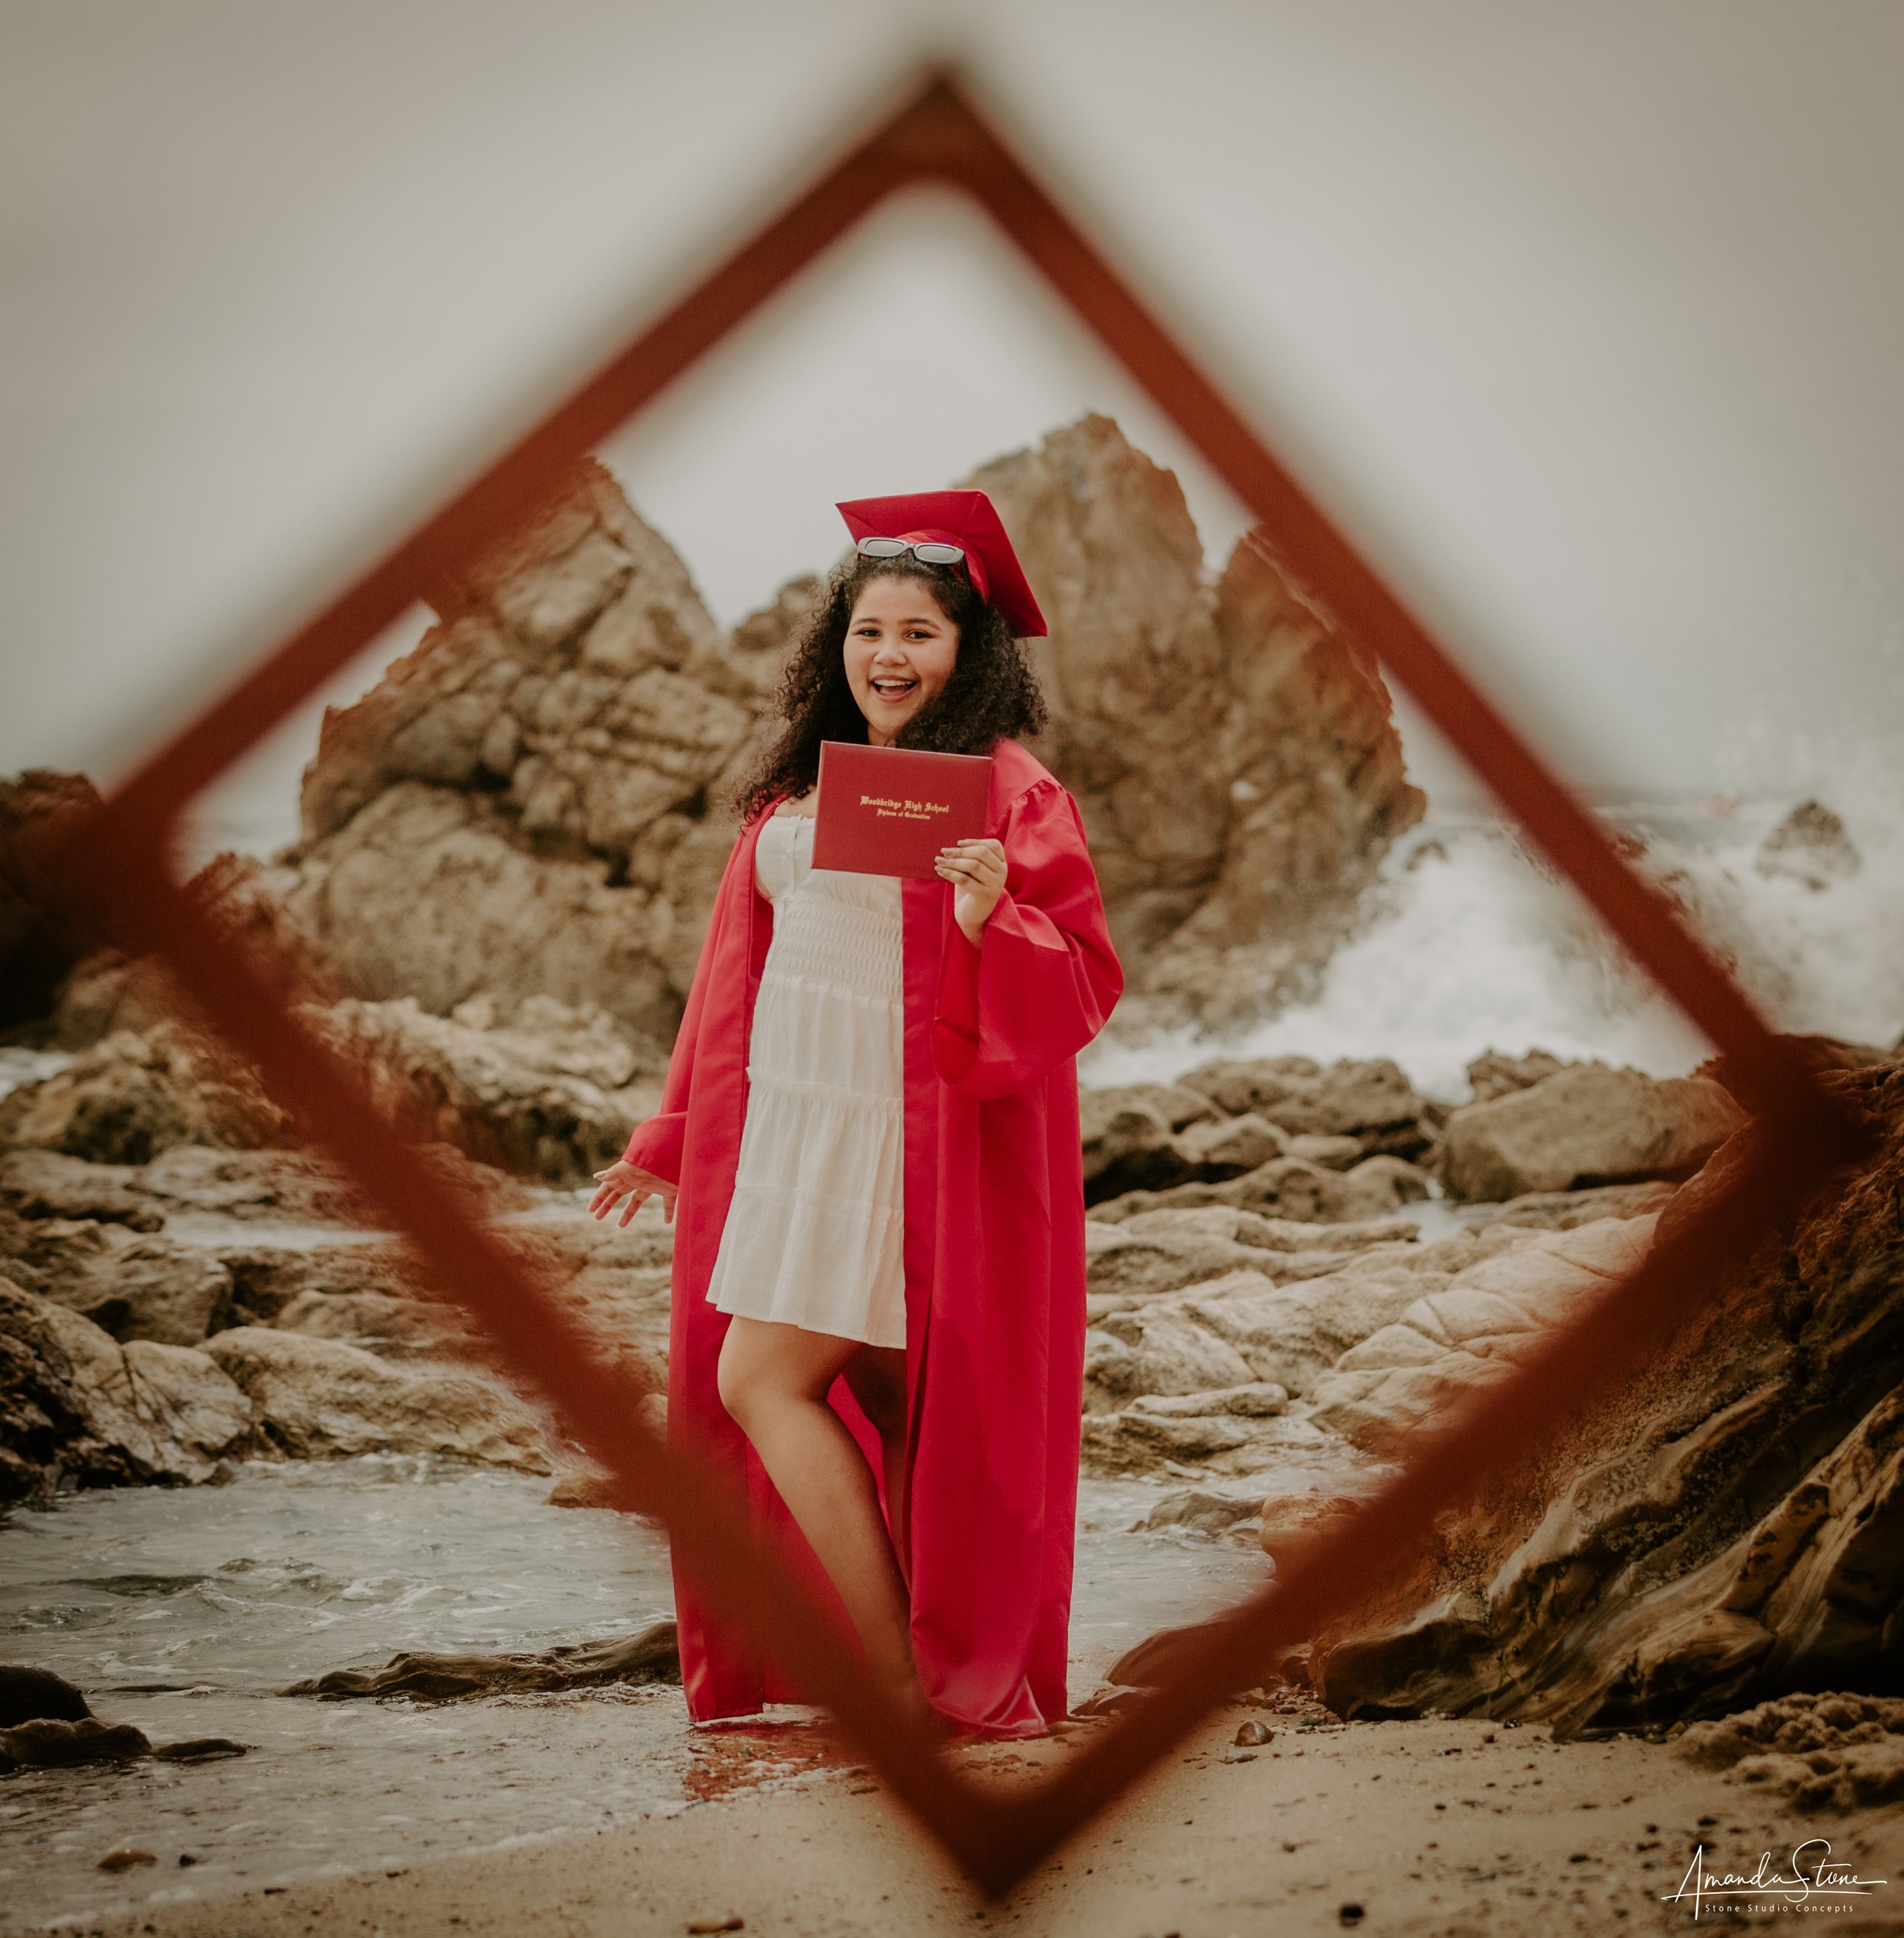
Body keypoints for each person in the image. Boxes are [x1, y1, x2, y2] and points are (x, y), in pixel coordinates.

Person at [588, 489, 1123, 1739]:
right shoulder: (800, 787)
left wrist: (997, 918)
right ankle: (926, 1671)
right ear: (839, 643)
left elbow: (1084, 972)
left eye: (921, 635)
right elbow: (735, 979)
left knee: (760, 1379)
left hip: (910, 1136)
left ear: (969, 652)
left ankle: (898, 1683)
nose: (890, 655)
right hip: (795, 1122)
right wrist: (673, 1140)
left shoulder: (1006, 788)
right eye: (870, 630)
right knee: (893, 1411)